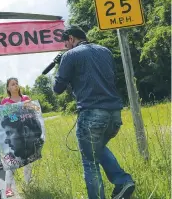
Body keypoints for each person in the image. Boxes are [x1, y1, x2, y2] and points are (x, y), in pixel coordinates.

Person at [53, 25, 135, 199]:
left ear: (71, 39)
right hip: (114, 114)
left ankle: (118, 184)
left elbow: (57, 88)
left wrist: (61, 66)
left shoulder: (70, 55)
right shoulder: (105, 51)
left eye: (65, 43)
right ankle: (122, 181)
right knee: (97, 149)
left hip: (91, 115)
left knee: (90, 162)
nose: (65, 47)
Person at [1, 77, 45, 198]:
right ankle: (8, 188)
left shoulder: (25, 98)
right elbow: (3, 119)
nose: (15, 85)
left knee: (28, 162)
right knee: (12, 164)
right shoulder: (5, 102)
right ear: (8, 88)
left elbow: (35, 112)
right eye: (12, 84)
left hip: (28, 135)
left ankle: (28, 186)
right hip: (14, 138)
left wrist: (29, 105)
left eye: (16, 83)